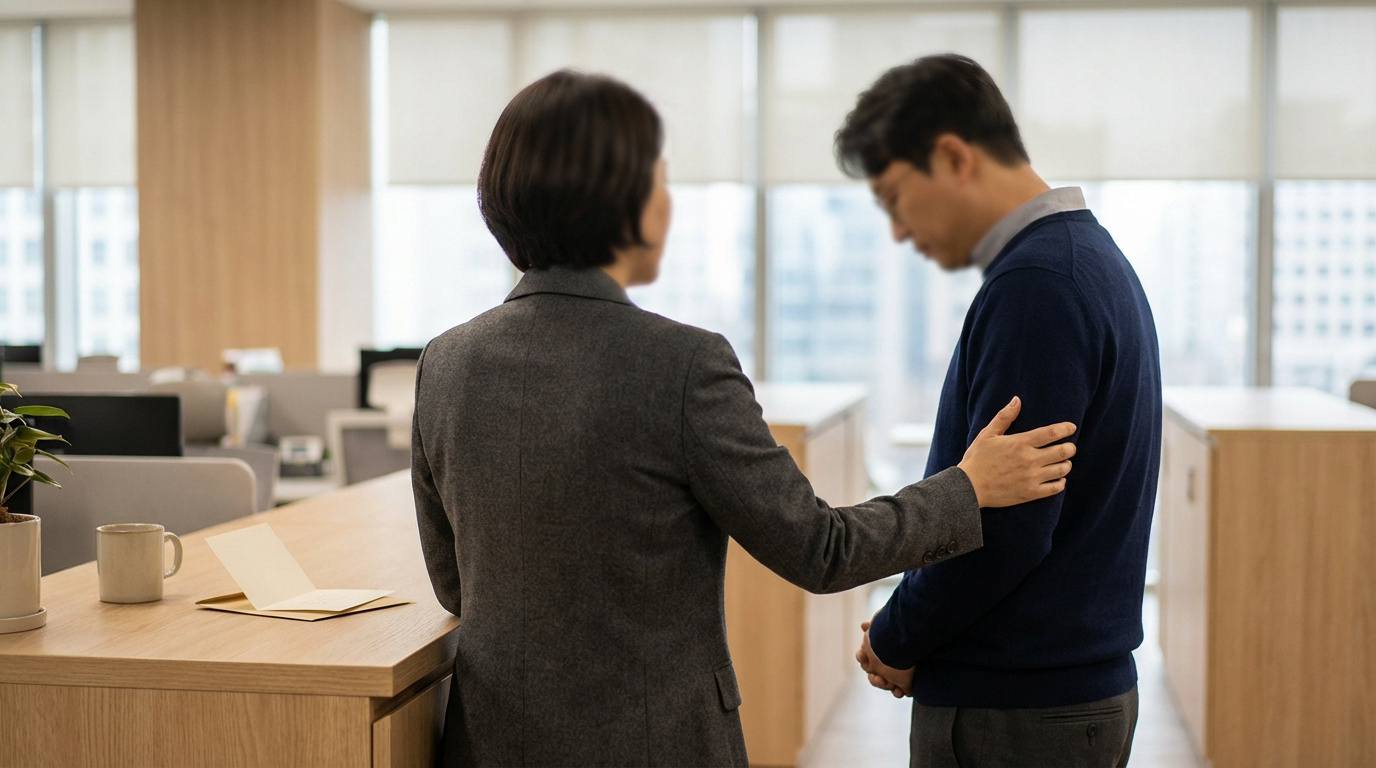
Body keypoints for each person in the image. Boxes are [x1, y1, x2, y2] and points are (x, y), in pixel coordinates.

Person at [411, 69, 1079, 767]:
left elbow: (455, 583)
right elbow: (821, 550)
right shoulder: (682, 365)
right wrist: (966, 488)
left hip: (487, 742)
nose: (669, 203)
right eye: (659, 180)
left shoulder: (446, 364)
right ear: (619, 200)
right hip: (658, 745)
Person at [839, 54, 1162, 767]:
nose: (896, 230)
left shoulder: (1038, 287)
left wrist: (895, 637)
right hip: (1058, 697)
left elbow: (1004, 526)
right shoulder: (1084, 260)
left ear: (953, 157)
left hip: (1016, 711)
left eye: (895, 197)